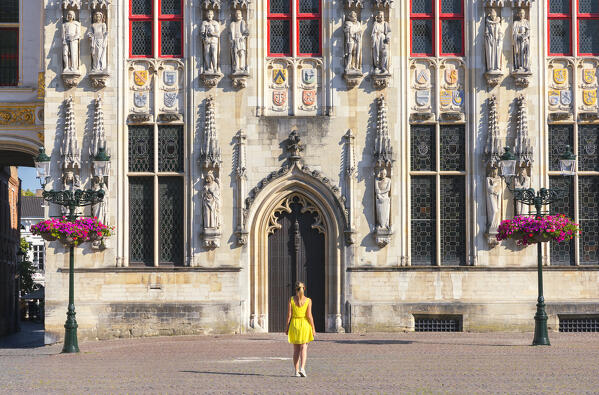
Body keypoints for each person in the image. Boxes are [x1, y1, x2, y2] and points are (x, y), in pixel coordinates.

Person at [285, 281, 315, 377]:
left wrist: (286, 327)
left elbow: (289, 315)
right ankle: (302, 368)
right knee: (304, 348)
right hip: (305, 324)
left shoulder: (291, 300)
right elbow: (309, 315)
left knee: (296, 349)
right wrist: (313, 328)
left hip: (294, 324)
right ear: (304, 289)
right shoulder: (308, 300)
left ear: (295, 289)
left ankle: (296, 371)